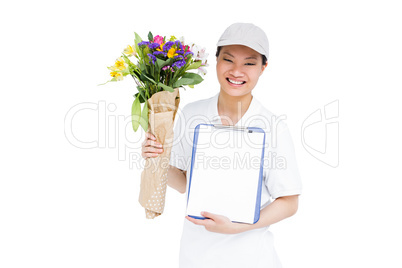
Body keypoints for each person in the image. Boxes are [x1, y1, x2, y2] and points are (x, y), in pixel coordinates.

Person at [141, 23, 302, 268]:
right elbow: (185, 183)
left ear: (263, 68)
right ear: (216, 61)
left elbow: (289, 202)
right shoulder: (192, 114)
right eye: (228, 60)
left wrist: (239, 227)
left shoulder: (273, 127)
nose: (237, 71)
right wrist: (157, 158)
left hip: (251, 258)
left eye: (249, 63)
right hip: (195, 257)